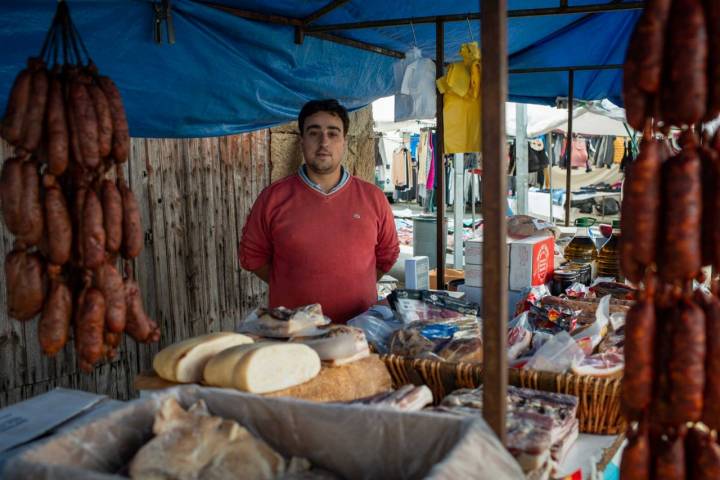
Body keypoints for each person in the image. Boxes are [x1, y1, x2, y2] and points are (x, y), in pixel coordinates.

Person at [239, 99, 400, 323]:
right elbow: (252, 258)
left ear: (344, 141)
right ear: (302, 140)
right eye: (314, 133)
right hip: (293, 334)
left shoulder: (373, 198)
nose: (324, 142)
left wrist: (352, 285)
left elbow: (388, 254)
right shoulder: (273, 198)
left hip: (358, 330)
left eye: (333, 133)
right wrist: (292, 284)